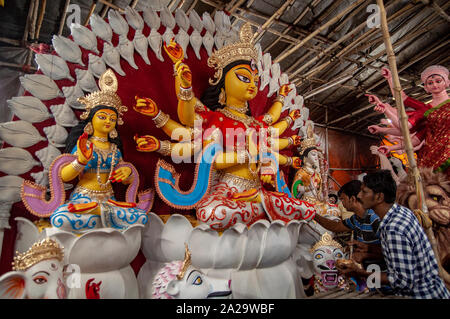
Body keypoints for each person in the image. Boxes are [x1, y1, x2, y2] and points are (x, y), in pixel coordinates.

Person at [132, 23, 317, 231]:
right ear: (222, 80)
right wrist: (181, 76)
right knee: (212, 213)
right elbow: (196, 132)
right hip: (228, 192)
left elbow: (274, 133)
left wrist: (270, 163)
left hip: (257, 193)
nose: (252, 85)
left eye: (255, 80)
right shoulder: (216, 119)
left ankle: (259, 205)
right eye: (244, 78)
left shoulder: (257, 125)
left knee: (305, 207)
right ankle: (260, 214)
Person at [21, 69, 151, 233]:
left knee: (141, 217)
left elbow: (125, 178)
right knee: (61, 217)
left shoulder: (114, 149)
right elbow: (64, 176)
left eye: (112, 119)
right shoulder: (84, 145)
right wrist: (80, 161)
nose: (108, 122)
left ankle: (100, 212)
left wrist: (128, 173)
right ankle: (100, 213)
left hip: (109, 199)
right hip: (84, 198)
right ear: (91, 119)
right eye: (102, 117)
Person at [336, 170, 450, 299]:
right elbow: (407, 254)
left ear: (379, 197)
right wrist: (370, 249)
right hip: (435, 290)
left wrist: (360, 272)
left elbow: (403, 281)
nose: (359, 196)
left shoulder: (393, 229)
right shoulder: (401, 211)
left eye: (364, 192)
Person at [313, 180, 383, 264]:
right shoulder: (355, 219)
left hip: (379, 271)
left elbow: (388, 250)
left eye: (343, 199)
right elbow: (335, 226)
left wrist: (365, 255)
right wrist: (313, 215)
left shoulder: (374, 218)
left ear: (352, 199)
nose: (342, 203)